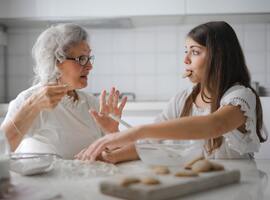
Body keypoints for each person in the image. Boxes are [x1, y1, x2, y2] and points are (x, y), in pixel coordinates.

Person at [76, 21, 267, 161]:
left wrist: (138, 131)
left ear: (219, 57)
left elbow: (215, 124)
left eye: (195, 51)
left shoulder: (241, 97)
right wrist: (113, 149)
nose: (185, 60)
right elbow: (153, 142)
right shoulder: (182, 99)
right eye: (186, 51)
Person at [0, 23, 128, 160]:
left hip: (90, 181)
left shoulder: (91, 103)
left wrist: (112, 132)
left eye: (89, 58)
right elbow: (2, 150)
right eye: (82, 59)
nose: (90, 66)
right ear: (56, 61)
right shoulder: (29, 99)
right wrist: (32, 107)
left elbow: (116, 154)